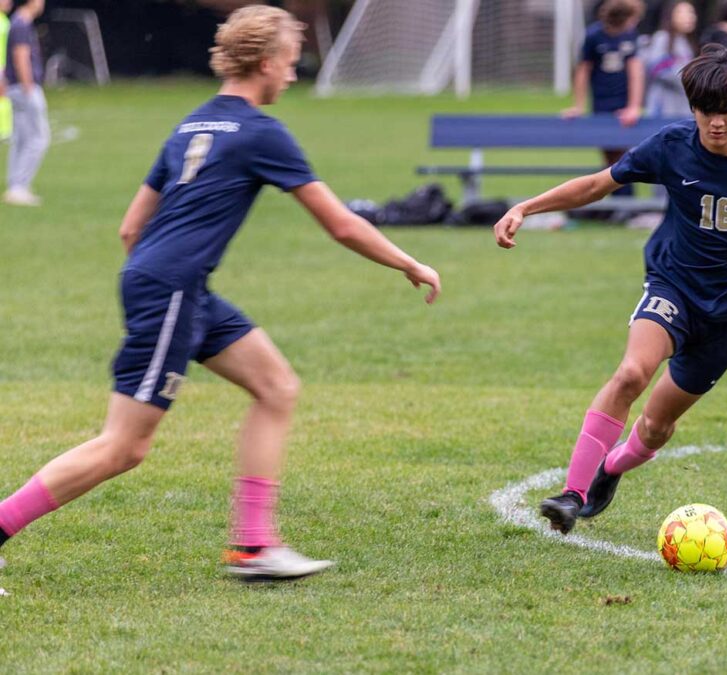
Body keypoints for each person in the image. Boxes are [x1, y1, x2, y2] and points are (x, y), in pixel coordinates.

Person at [0, 6, 441, 580]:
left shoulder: (191, 124)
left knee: (276, 386)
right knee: (123, 447)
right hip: (174, 289)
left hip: (173, 285)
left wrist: (164, 280)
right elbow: (341, 224)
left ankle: (255, 546)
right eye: (288, 62)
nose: (292, 73)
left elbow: (131, 227)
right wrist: (409, 263)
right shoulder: (262, 131)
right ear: (264, 62)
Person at [494, 46, 727, 535]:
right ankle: (573, 493)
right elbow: (597, 185)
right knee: (632, 373)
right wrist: (525, 207)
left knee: (654, 426)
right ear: (692, 107)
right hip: (673, 285)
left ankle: (611, 469)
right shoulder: (671, 145)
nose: (716, 123)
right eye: (705, 112)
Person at [564, 0, 646, 199]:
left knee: (623, 154)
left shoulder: (630, 36)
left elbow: (635, 71)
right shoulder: (593, 36)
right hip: (601, 102)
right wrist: (578, 106)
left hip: (622, 104)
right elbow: (583, 70)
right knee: (609, 155)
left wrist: (633, 106)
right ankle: (615, 204)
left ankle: (625, 203)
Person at [3, 0, 48, 206]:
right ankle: (19, 186)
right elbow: (20, 55)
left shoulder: (16, 22)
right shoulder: (21, 24)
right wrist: (28, 85)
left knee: (21, 138)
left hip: (15, 88)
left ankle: (15, 185)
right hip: (24, 89)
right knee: (38, 138)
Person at [641, 0, 697, 118]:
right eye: (682, 12)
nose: (690, 17)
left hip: (682, 110)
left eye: (691, 12)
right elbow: (659, 69)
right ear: (670, 16)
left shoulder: (685, 42)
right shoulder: (662, 38)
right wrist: (693, 82)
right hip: (663, 110)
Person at [0, 0, 12, 142]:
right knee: (3, 96)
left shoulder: (5, 20)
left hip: (3, 66)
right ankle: (4, 130)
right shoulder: (3, 23)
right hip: (1, 66)